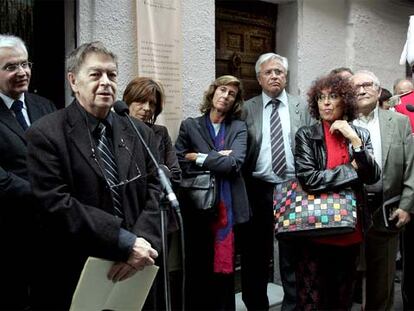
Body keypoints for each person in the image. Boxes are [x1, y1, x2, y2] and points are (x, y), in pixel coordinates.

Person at [26, 41, 161, 310]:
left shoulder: (139, 132)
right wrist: (124, 241)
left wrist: (140, 246)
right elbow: (57, 204)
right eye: (95, 74)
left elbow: (158, 190)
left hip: (138, 267)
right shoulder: (46, 133)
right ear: (73, 81)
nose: (106, 82)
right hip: (80, 269)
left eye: (111, 75)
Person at [294, 73, 380, 310]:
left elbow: (372, 176)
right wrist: (351, 170)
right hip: (314, 231)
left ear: (346, 102)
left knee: (341, 300)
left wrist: (354, 140)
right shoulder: (306, 135)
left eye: (333, 97)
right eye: (321, 98)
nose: (326, 103)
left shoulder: (360, 134)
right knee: (311, 301)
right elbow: (309, 179)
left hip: (349, 231)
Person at [241, 52, 313, 311]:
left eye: (279, 72)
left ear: (286, 77)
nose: (274, 76)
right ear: (259, 78)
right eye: (269, 72)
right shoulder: (245, 108)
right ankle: (256, 306)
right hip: (257, 188)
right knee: (255, 254)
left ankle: (292, 306)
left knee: (292, 255)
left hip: (294, 188)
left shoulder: (301, 107)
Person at [175, 75, 250, 310]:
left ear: (236, 101)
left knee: (224, 275)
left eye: (232, 94)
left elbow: (234, 164)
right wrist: (219, 157)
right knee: (198, 268)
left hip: (228, 210)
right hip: (197, 208)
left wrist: (197, 156)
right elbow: (179, 161)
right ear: (213, 92)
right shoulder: (191, 125)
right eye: (223, 90)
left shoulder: (238, 127)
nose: (226, 96)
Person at [0, 34, 55, 310]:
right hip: (10, 233)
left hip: (51, 229)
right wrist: (46, 194)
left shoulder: (44, 106)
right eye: (11, 67)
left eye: (25, 64)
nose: (22, 72)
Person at [351, 70, 414, 310]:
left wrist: (407, 206)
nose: (362, 90)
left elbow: (411, 167)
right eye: (356, 87)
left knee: (382, 286)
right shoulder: (341, 122)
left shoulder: (397, 122)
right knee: (345, 282)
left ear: (378, 91)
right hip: (349, 213)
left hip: (386, 212)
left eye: (367, 85)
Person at [123, 76, 181, 310]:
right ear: (128, 101)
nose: (147, 109)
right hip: (128, 221)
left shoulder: (160, 133)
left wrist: (160, 173)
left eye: (152, 104)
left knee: (156, 281)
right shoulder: (117, 132)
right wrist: (158, 173)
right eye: (141, 102)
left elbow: (174, 174)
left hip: (158, 220)